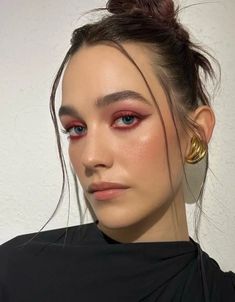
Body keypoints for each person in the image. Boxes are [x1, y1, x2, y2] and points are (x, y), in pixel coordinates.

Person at [0, 0, 234, 301]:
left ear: (195, 133)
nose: (91, 157)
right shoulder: (14, 275)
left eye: (126, 119)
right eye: (76, 129)